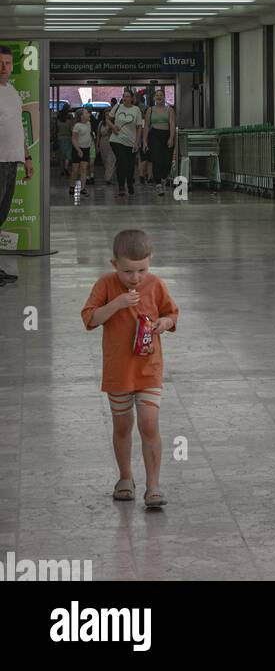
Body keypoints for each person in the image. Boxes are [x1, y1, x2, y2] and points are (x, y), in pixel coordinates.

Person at [81, 228, 178, 509]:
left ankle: (153, 485)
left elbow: (172, 313)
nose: (135, 278)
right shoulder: (106, 285)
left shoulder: (156, 285)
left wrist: (164, 324)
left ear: (150, 261)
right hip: (118, 372)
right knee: (122, 425)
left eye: (141, 270)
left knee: (149, 423)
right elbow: (90, 319)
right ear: (114, 264)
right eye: (127, 271)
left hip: (149, 370)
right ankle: (125, 478)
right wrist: (117, 303)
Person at [0, 46, 33, 287]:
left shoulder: (11, 91)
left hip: (12, 162)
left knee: (1, 216)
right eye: (0, 63)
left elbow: (19, 129)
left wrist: (27, 158)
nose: (4, 68)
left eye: (8, 63)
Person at [108, 89, 143, 199]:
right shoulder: (117, 107)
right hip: (116, 140)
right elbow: (108, 119)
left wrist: (137, 142)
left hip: (131, 141)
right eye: (124, 96)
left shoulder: (136, 110)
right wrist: (113, 127)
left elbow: (139, 127)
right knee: (122, 162)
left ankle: (130, 183)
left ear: (132, 98)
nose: (125, 98)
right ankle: (121, 187)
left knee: (130, 165)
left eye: (128, 96)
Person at [145, 90, 175, 196]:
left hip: (166, 135)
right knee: (156, 160)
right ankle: (158, 184)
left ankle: (163, 178)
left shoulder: (169, 110)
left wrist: (171, 138)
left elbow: (172, 124)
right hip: (154, 135)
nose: (159, 97)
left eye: (161, 95)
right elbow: (147, 126)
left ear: (164, 97)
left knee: (167, 161)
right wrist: (145, 141)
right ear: (154, 98)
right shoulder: (150, 110)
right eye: (157, 95)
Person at [69, 106, 94, 200]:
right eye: (86, 113)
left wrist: (91, 144)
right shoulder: (77, 126)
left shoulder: (89, 124)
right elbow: (74, 139)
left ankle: (83, 188)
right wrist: (79, 150)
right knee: (75, 170)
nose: (89, 114)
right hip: (77, 149)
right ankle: (72, 186)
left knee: (84, 169)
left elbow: (89, 135)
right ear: (81, 116)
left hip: (86, 149)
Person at [97, 110, 117, 186]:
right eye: (106, 114)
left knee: (111, 160)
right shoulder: (101, 124)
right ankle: (108, 176)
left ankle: (108, 178)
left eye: (109, 114)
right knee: (105, 160)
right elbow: (98, 135)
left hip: (112, 142)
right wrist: (97, 145)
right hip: (103, 142)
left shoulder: (113, 124)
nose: (107, 116)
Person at [56, 103, 74, 176]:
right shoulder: (70, 119)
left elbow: (55, 129)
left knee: (61, 155)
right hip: (68, 138)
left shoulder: (58, 118)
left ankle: (61, 170)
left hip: (60, 138)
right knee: (67, 155)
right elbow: (72, 129)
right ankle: (66, 168)